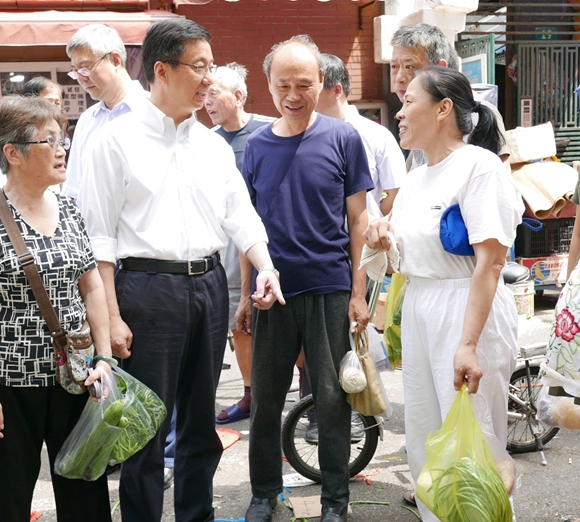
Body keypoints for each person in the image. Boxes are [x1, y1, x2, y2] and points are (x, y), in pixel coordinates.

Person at [78, 18, 284, 522]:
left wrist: (265, 266)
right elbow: (99, 239)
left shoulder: (211, 145)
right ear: (162, 70)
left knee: (198, 424)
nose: (208, 79)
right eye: (199, 67)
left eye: (211, 67)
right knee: (143, 427)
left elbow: (240, 214)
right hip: (145, 289)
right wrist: (112, 318)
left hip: (208, 286)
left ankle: (197, 515)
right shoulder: (115, 140)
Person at [364, 66, 523, 522]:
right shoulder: (416, 176)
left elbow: (490, 263)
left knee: (475, 441)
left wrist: (468, 344)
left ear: (443, 109)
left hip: (466, 310)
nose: (399, 113)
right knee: (427, 436)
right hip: (420, 308)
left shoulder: (479, 167)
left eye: (409, 101)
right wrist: (381, 236)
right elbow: (403, 257)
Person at [239, 35, 373, 522]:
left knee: (333, 400)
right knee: (265, 399)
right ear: (267, 85)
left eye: (303, 84)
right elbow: (248, 226)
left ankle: (336, 499)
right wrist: (245, 294)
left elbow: (358, 220)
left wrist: (359, 292)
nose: (293, 95)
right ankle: (264, 493)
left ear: (322, 82)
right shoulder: (256, 146)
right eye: (283, 85)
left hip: (330, 289)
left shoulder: (343, 138)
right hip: (271, 292)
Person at [0, 96, 114, 522]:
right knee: (9, 491)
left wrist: (104, 359)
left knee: (85, 490)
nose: (62, 149)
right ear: (13, 153)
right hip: (12, 383)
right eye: (49, 140)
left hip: (76, 376)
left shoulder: (68, 209)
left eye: (62, 139)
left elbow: (92, 285)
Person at [205, 63, 275, 424]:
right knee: (240, 322)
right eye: (204, 94)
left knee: (285, 320)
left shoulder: (268, 131)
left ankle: (308, 396)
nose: (207, 101)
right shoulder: (207, 141)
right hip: (228, 248)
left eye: (213, 93)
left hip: (268, 241)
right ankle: (250, 394)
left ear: (238, 96)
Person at [390, 23, 510, 170]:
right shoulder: (419, 118)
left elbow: (500, 174)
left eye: (410, 67)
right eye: (394, 66)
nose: (399, 78)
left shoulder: (477, 113)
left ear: (440, 68)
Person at [62, 24, 148, 202]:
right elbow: (74, 189)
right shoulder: (87, 119)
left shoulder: (154, 110)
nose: (81, 78)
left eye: (85, 68)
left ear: (115, 60)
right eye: (75, 72)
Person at [316, 53, 406, 218]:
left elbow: (396, 193)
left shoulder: (376, 135)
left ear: (336, 90)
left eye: (313, 88)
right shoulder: (306, 136)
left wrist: (373, 219)